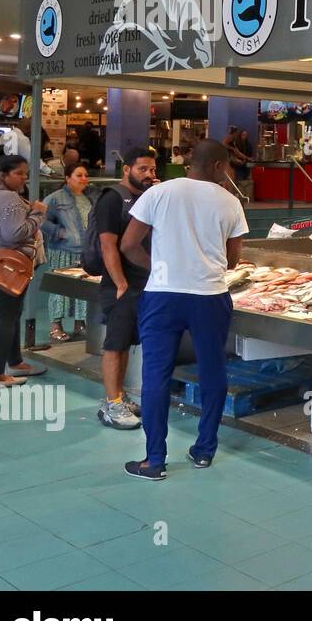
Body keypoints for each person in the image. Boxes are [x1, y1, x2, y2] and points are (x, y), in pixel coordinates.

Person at [120, 139, 248, 479]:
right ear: (220, 166)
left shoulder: (159, 193)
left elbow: (129, 245)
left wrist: (159, 267)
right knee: (212, 371)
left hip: (162, 296)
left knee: (156, 375)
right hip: (210, 296)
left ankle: (154, 459)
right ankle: (204, 450)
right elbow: (233, 259)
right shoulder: (230, 202)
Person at [91, 146, 158, 430]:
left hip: (143, 283)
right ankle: (111, 403)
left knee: (128, 342)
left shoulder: (147, 197)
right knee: (115, 344)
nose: (149, 174)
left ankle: (120, 395)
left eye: (153, 169)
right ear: (126, 169)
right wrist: (119, 282)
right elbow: (108, 245)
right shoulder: (112, 199)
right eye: (142, 169)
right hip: (121, 285)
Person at [0, 156, 49, 388]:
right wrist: (38, 213)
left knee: (11, 314)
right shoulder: (8, 198)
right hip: (9, 264)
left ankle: (14, 361)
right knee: (6, 317)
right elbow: (14, 234)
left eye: (26, 173)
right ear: (2, 174)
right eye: (19, 173)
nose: (24, 178)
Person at [41, 163, 93, 343]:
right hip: (62, 250)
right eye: (79, 175)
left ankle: (80, 323)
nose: (84, 179)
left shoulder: (88, 198)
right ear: (67, 178)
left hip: (84, 251)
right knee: (60, 289)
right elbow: (41, 219)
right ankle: (56, 326)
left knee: (83, 288)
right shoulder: (55, 198)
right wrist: (60, 233)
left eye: (85, 175)